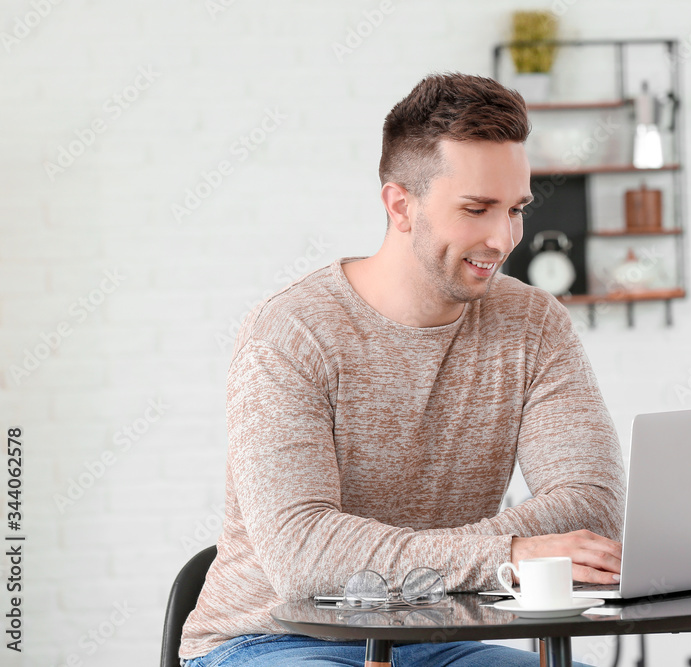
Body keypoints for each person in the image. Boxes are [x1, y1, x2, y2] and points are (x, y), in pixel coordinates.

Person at [180, 72, 626, 666]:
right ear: (400, 206)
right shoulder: (292, 332)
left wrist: (491, 556)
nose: (503, 237)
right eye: (476, 209)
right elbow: (304, 555)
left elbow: (590, 511)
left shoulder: (533, 322)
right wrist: (510, 553)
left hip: (437, 638)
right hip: (270, 638)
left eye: (515, 209)